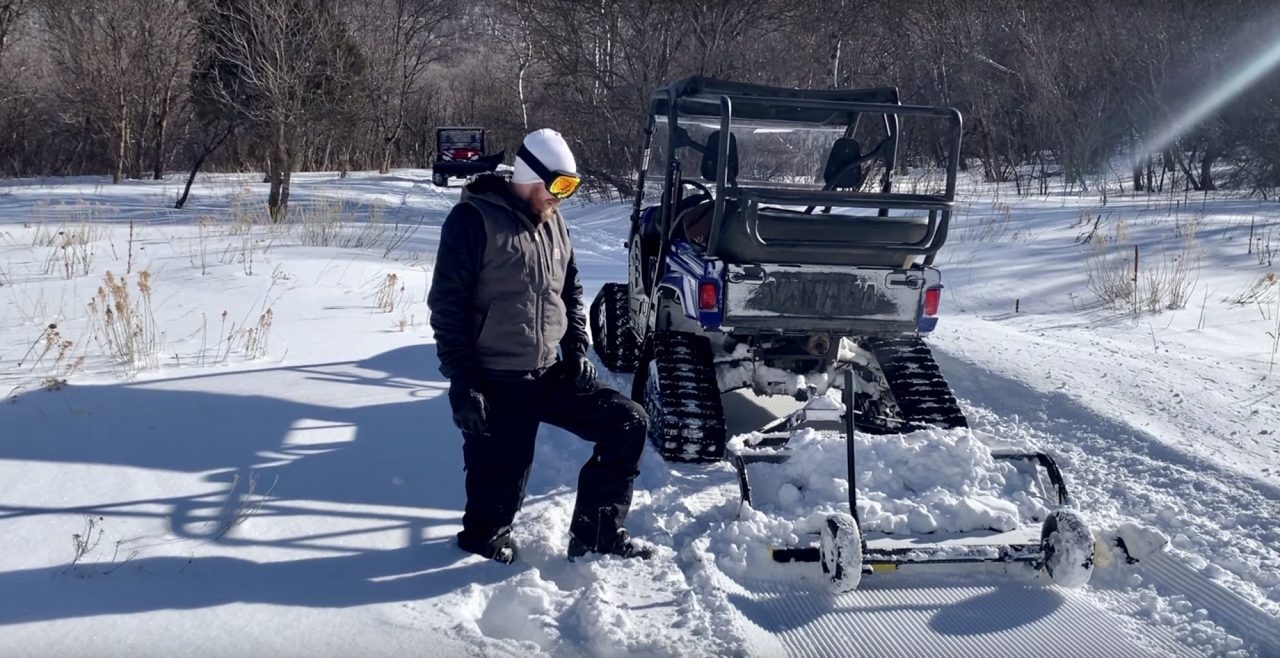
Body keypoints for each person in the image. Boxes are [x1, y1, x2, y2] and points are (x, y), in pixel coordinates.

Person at [428, 128, 653, 565]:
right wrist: (463, 381)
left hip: (549, 372)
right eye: (558, 187)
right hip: (496, 379)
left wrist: (577, 346)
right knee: (497, 495)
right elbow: (447, 306)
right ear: (532, 176)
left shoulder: (555, 222)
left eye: (570, 188)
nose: (562, 199)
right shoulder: (473, 221)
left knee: (628, 422)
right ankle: (480, 551)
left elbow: (569, 287)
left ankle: (598, 533)